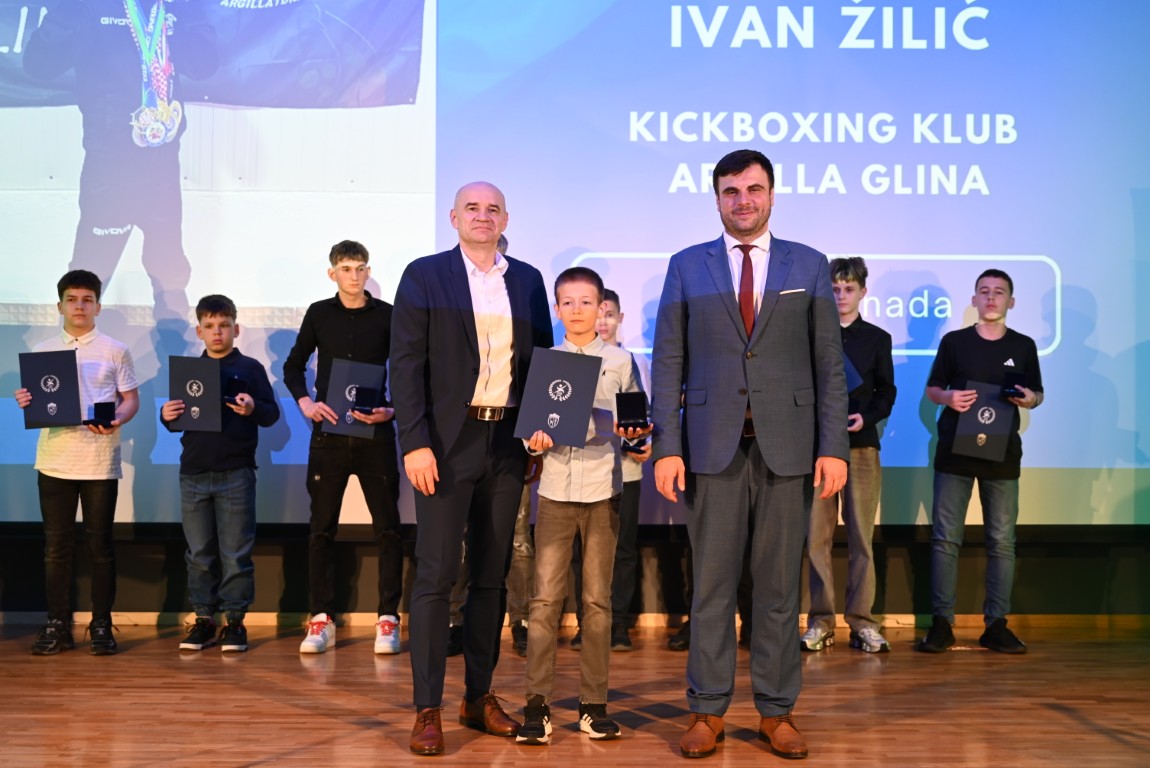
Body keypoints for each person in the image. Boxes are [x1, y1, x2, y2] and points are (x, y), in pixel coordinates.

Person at [651, 149, 849, 760]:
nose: (743, 200)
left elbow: (827, 365)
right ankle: (707, 711)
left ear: (771, 194)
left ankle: (776, 711)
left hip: (787, 450)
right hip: (711, 451)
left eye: (754, 189)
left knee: (779, 590)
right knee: (710, 588)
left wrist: (833, 446)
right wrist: (666, 446)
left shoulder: (808, 264)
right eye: (731, 191)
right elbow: (668, 362)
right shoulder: (687, 265)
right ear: (717, 198)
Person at [391, 181, 552, 756]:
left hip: (507, 443)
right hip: (443, 445)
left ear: (505, 219)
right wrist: (415, 443)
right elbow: (405, 365)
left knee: (491, 575)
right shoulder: (424, 275)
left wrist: (541, 426)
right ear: (454, 217)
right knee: (436, 576)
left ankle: (478, 697)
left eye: (493, 209)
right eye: (472, 208)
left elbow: (541, 362)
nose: (483, 216)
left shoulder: (527, 280)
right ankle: (427, 708)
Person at [516, 268, 650, 746]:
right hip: (554, 491)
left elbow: (637, 425)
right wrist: (534, 442)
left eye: (586, 302)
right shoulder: (545, 361)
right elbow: (532, 432)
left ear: (602, 309)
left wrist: (638, 439)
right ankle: (537, 706)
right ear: (557, 309)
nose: (577, 310)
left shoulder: (621, 361)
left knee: (596, 602)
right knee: (544, 602)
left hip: (602, 492)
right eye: (568, 302)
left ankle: (594, 706)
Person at [22, 0, 218, 324]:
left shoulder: (177, 5)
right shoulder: (87, 6)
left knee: (169, 264)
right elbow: (38, 65)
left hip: (162, 163)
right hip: (109, 166)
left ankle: (174, 343)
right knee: (90, 267)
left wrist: (184, 17)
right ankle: (72, 344)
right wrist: (68, 12)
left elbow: (205, 66)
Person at [282, 240, 403, 656]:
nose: (354, 275)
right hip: (329, 436)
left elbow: (410, 369)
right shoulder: (319, 313)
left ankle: (388, 618)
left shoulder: (388, 315)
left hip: (375, 435)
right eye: (346, 268)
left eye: (360, 267)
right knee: (321, 529)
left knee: (388, 528)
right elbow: (293, 365)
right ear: (332, 273)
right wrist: (305, 403)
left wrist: (392, 410)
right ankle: (322, 618)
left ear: (369, 272)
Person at [917, 269, 1043, 654]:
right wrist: (948, 398)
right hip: (954, 453)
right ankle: (942, 623)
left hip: (1002, 456)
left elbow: (1037, 394)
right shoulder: (954, 342)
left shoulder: (1024, 345)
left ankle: (996, 624)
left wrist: (1030, 399)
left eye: (999, 292)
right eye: (984, 291)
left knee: (1002, 541)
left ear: (1011, 301)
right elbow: (933, 389)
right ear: (973, 299)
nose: (991, 297)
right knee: (945, 539)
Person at [15, 269, 140, 655]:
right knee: (56, 548)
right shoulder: (43, 351)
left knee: (100, 546)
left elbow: (130, 399)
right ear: (60, 306)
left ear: (98, 306)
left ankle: (101, 623)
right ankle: (58, 624)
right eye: (72, 300)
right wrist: (26, 401)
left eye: (87, 300)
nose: (79, 306)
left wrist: (118, 418)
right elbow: (38, 399)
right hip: (54, 461)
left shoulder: (115, 349)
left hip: (99, 462)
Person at [160, 295, 280, 652]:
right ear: (199, 331)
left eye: (224, 325)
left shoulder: (250, 368)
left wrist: (252, 407)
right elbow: (177, 420)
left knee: (235, 553)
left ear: (235, 329)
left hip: (236, 472)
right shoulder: (189, 372)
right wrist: (166, 416)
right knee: (199, 553)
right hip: (193, 472)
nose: (217, 332)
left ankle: (235, 622)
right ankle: (203, 619)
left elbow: (271, 414)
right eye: (210, 326)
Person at [801, 258, 897, 654]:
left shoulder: (877, 338)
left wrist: (866, 417)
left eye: (849, 288)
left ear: (862, 292)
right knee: (816, 540)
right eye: (836, 288)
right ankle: (821, 622)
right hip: (818, 450)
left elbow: (886, 392)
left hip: (861, 447)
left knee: (861, 539)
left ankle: (862, 623)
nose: (841, 296)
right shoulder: (809, 335)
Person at [596, 288, 652, 651]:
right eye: (597, 313)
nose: (602, 321)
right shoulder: (571, 360)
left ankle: (619, 623)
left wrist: (646, 441)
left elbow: (648, 412)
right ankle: (589, 623)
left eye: (609, 314)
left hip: (627, 469)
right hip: (585, 470)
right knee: (585, 550)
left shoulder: (635, 362)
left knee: (624, 548)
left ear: (620, 318)